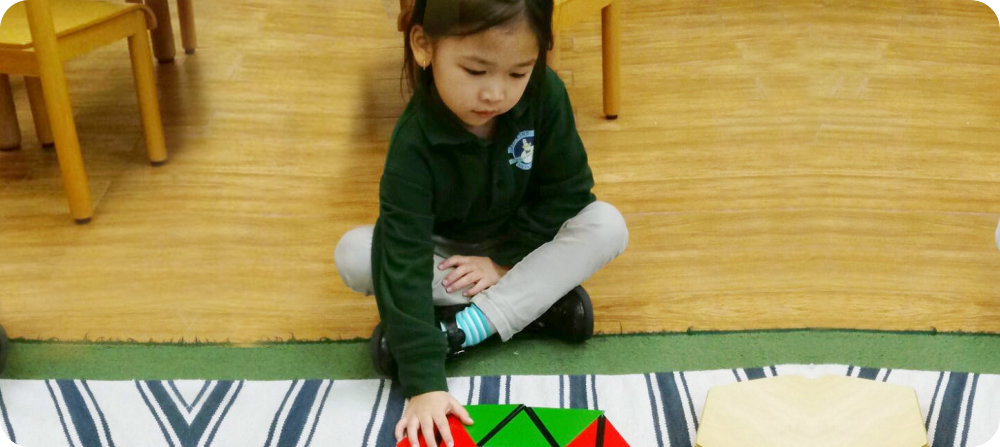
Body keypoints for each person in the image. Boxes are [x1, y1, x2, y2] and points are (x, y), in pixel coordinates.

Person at [335, 1, 628, 445]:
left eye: (518, 73)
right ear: (423, 46)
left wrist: (503, 261)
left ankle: (460, 330)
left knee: (607, 224)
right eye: (475, 71)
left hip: (519, 248)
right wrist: (425, 384)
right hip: (444, 253)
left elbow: (569, 192)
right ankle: (536, 309)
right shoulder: (413, 142)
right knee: (356, 254)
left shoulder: (546, 94)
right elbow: (405, 252)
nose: (496, 94)